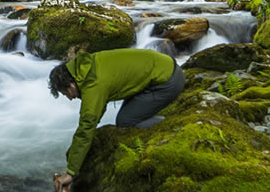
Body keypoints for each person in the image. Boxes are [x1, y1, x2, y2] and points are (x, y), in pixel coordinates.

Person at [49, 48, 185, 191]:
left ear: (71, 84)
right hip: (164, 69)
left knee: (125, 121)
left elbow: (86, 127)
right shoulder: (87, 66)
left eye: (66, 93)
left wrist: (70, 172)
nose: (70, 98)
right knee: (125, 116)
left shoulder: (94, 84)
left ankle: (171, 125)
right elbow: (96, 111)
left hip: (168, 82)